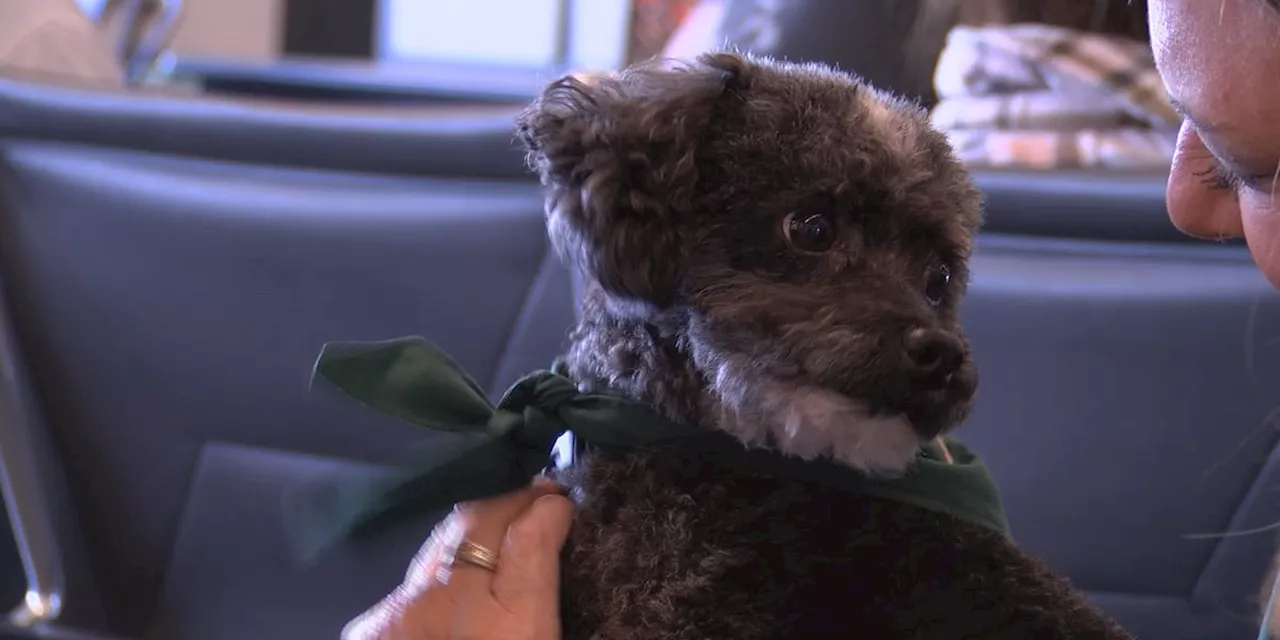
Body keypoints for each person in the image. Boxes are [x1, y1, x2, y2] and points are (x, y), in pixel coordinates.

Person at [342, 0, 1280, 638]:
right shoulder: (568, 458)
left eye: (1256, 166)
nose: (1187, 201)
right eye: (813, 230)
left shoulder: (910, 547)